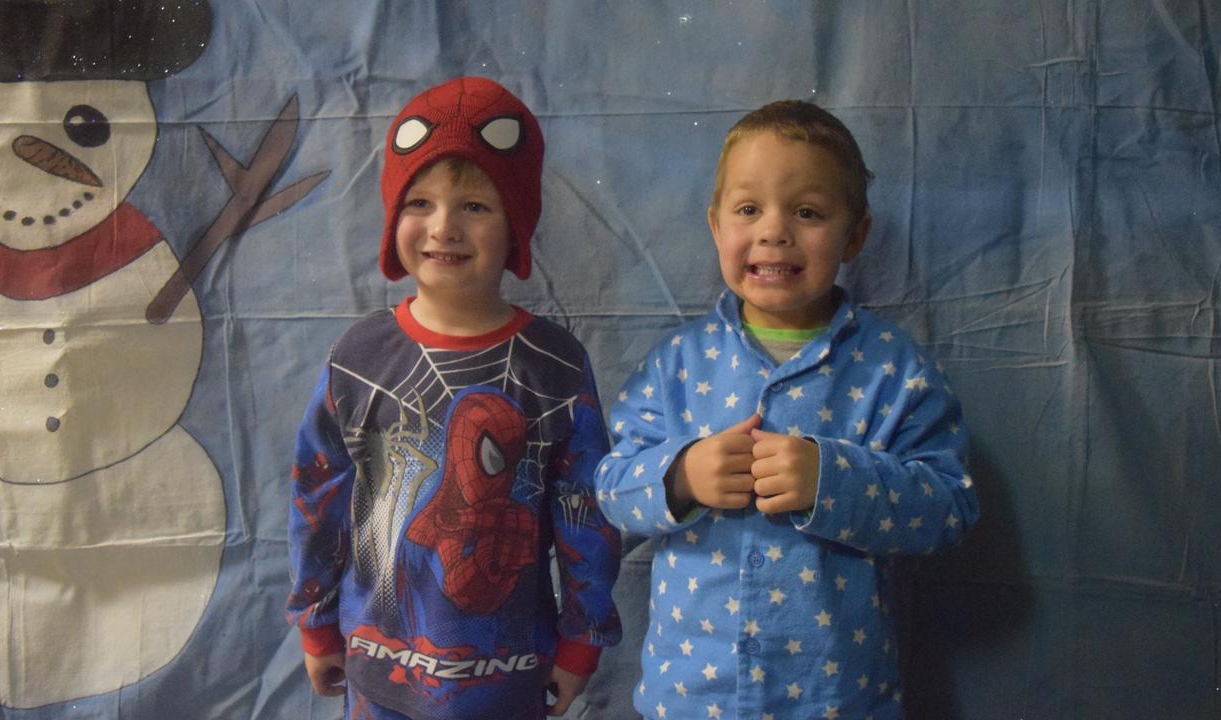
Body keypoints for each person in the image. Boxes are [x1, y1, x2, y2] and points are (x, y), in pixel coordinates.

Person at [594, 100, 979, 719]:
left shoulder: (894, 370)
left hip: (837, 699)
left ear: (856, 234)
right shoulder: (674, 364)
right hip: (692, 698)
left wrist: (835, 481)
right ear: (716, 225)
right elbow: (610, 487)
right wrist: (681, 475)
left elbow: (949, 508)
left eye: (807, 212)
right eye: (749, 209)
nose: (774, 231)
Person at [286, 76, 621, 720]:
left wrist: (582, 640)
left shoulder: (555, 366)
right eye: (420, 202)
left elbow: (587, 512)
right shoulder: (359, 359)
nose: (445, 227)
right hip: (379, 671)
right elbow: (317, 494)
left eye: (476, 205)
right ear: (392, 217)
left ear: (516, 223)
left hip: (510, 676)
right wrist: (315, 620)